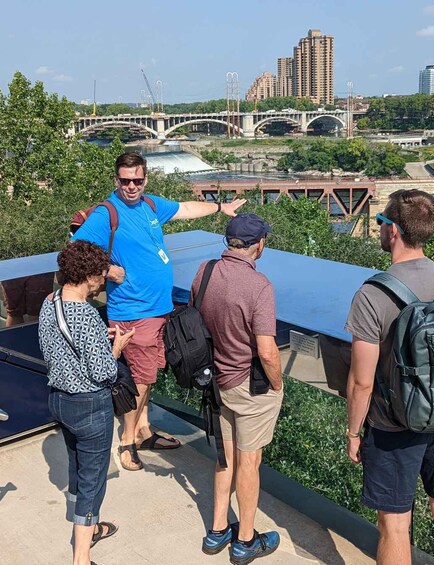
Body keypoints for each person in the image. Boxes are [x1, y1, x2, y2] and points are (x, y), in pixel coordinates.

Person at [72, 152, 246, 471]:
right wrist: (108, 269)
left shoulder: (151, 205)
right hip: (133, 311)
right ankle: (127, 443)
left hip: (157, 309)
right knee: (141, 377)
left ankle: (143, 429)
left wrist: (222, 208)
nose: (131, 186)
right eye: (125, 181)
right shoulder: (106, 213)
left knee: (148, 375)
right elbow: (73, 251)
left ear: (145, 179)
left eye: (137, 180)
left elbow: (186, 208)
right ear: (116, 181)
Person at [344, 190, 434, 565]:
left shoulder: (374, 293)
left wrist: (354, 432)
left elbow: (362, 381)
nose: (380, 229)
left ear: (394, 232)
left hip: (393, 424)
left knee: (395, 524)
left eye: (381, 223)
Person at [191, 214, 284, 563]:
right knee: (249, 462)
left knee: (225, 457)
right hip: (248, 386)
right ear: (259, 245)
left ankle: (217, 531)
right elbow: (267, 351)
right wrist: (277, 385)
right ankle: (245, 540)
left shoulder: (205, 271)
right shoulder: (259, 286)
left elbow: (195, 319)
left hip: (215, 381)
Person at [38, 240, 135, 565]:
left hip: (59, 400)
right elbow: (105, 371)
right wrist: (117, 347)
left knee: (77, 465)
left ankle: (90, 529)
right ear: (90, 276)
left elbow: (53, 348)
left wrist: (94, 343)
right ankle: (82, 556)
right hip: (89, 405)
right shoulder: (88, 315)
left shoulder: (48, 303)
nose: (103, 280)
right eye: (101, 274)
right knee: (94, 480)